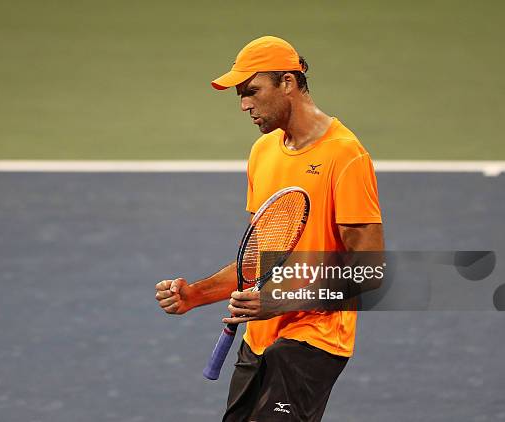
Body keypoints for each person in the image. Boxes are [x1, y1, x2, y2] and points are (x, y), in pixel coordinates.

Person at [155, 35, 384, 422]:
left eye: (252, 91)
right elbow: (260, 259)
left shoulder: (346, 156)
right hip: (260, 335)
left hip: (314, 339)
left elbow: (369, 273)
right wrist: (195, 295)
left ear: (288, 83)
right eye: (240, 95)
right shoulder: (262, 152)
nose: (244, 104)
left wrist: (278, 302)